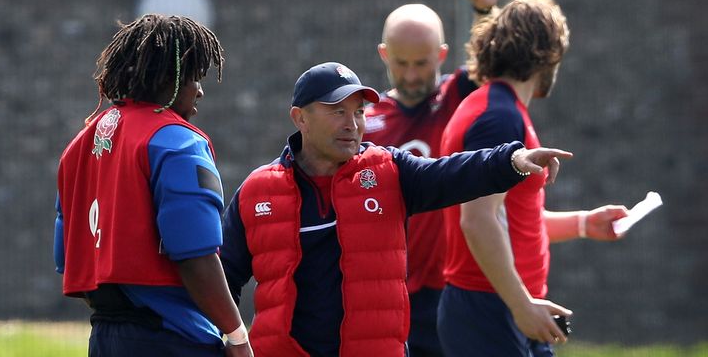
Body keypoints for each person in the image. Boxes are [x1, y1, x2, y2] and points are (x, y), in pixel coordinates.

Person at [220, 61, 573, 357]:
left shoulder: (390, 171)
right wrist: (232, 339)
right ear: (300, 118)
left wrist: (514, 159)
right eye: (337, 111)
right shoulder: (257, 191)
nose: (352, 123)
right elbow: (223, 278)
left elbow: (453, 173)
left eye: (359, 112)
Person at [437, 0, 629, 357]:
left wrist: (584, 223)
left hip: (503, 307)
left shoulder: (502, 109)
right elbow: (477, 221)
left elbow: (512, 219)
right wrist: (521, 304)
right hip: (490, 310)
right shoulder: (498, 117)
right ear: (549, 54)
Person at [54, 14, 253, 357]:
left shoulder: (78, 146)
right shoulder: (178, 142)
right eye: (196, 78)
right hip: (172, 337)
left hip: (103, 337)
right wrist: (237, 334)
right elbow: (195, 255)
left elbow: (65, 256)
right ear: (172, 79)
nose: (200, 92)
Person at [363, 0, 499, 357]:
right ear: (384, 55)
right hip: (386, 292)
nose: (409, 75)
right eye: (400, 64)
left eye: (421, 64)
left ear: (441, 56)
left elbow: (490, 66)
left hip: (449, 290)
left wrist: (484, 10)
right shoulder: (364, 123)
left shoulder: (457, 99)